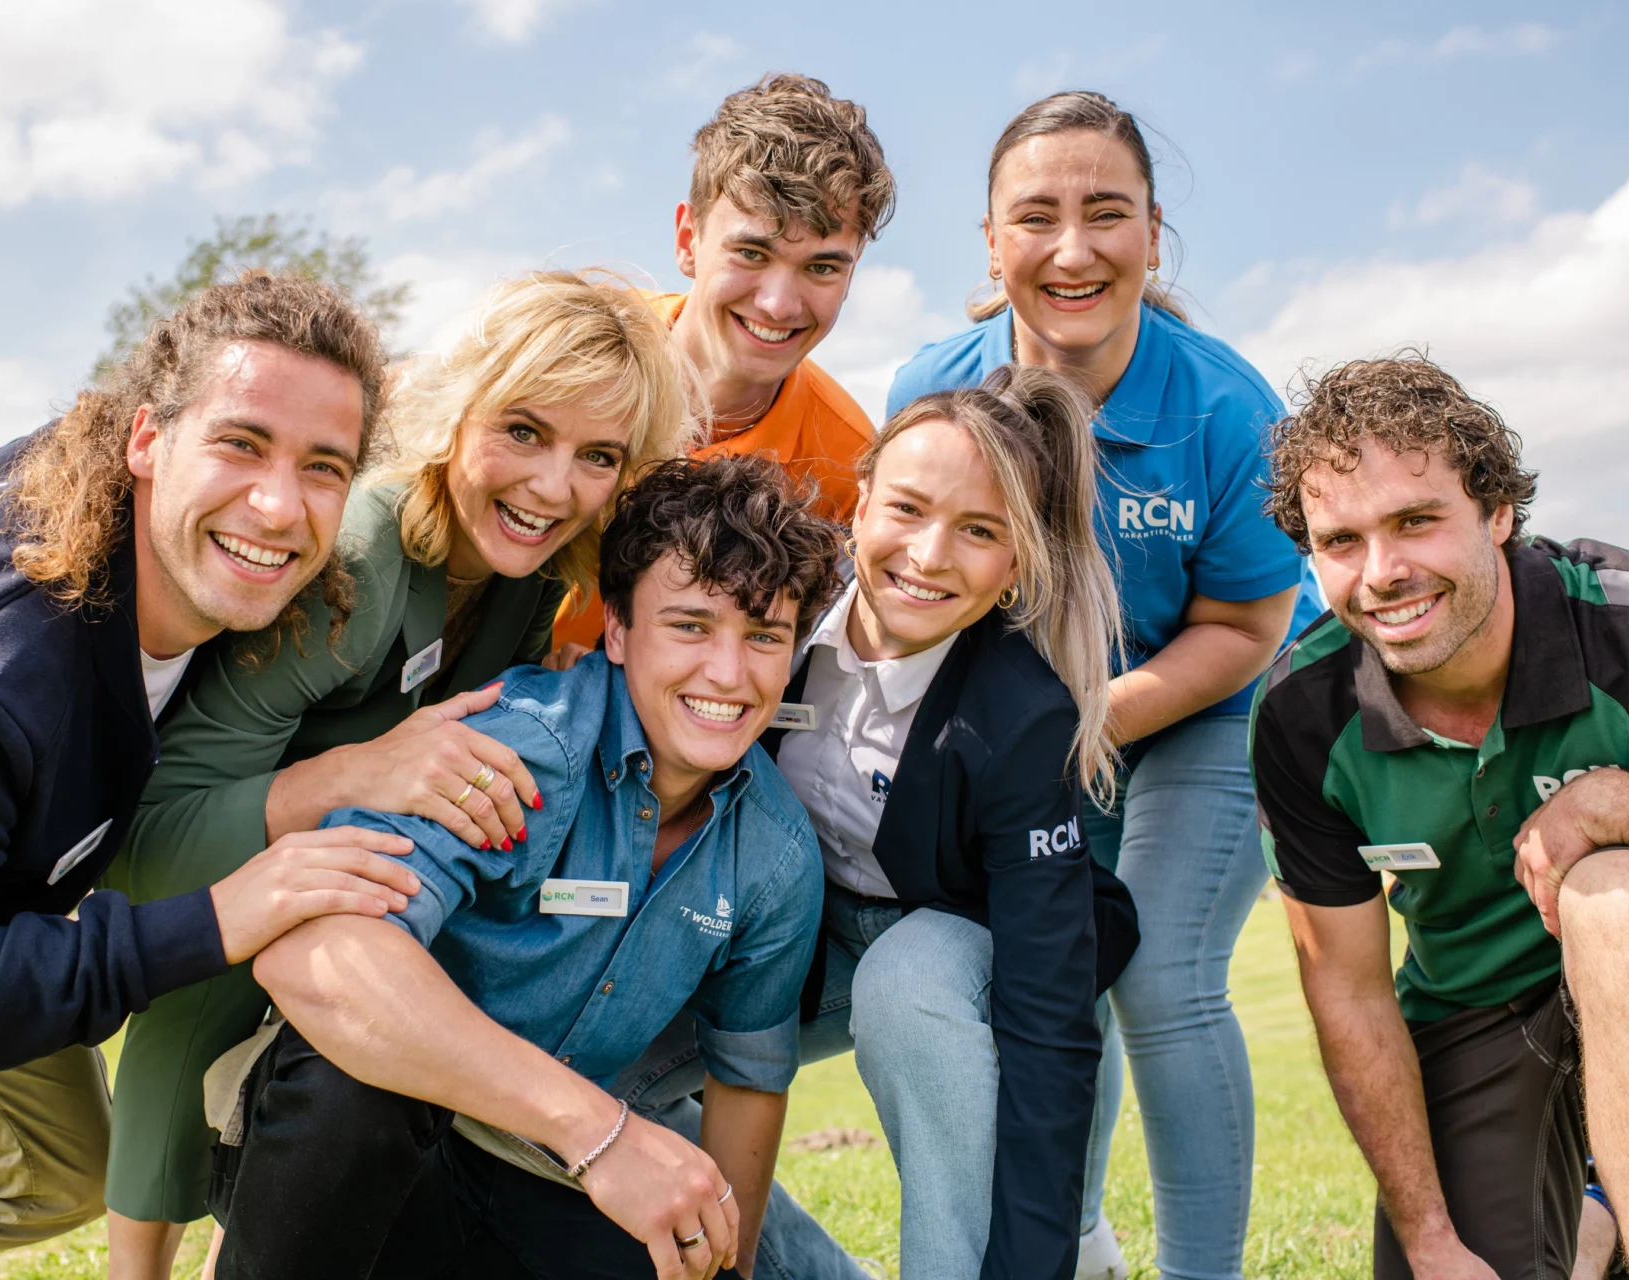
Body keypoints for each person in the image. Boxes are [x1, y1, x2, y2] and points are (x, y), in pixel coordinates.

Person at [0, 272, 427, 1278]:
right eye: (241, 441)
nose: (277, 502)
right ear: (145, 439)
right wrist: (213, 919)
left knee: (63, 1165)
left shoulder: (205, 583)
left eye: (323, 466)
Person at [98, 271, 696, 1276]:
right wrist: (353, 774)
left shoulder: (539, 571)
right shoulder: (363, 555)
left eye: (599, 456)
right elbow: (149, 850)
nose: (554, 486)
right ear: (460, 407)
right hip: (155, 891)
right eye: (524, 431)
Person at [204, 453, 842, 1280]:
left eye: (764, 636)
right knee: (347, 1093)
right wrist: (599, 1131)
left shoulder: (775, 851)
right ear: (616, 629)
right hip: (380, 1143)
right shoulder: (521, 745)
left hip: (544, 1172)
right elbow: (315, 955)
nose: (728, 673)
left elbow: (749, 1082)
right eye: (690, 625)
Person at [885, 91, 1310, 1280]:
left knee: (1161, 969)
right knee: (1053, 949)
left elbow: (1244, 624)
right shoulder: (935, 383)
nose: (1073, 251)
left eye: (1106, 214)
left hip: (1214, 699)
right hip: (1042, 714)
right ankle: (1075, 1243)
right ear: (989, 242)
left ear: (1153, 234)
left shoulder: (1226, 408)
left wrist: (1093, 722)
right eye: (1037, 217)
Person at [622, 365, 1142, 1280]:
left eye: (979, 532)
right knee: (603, 1078)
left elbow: (1048, 1025)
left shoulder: (1021, 717)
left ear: (1017, 560)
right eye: (907, 509)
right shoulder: (771, 619)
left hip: (959, 945)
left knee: (906, 982)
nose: (930, 556)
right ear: (857, 503)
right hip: (804, 939)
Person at [1253, 354, 1629, 1278]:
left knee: (1621, 892)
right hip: (1478, 1012)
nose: (1383, 574)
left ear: (1498, 514)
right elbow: (1348, 989)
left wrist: (1622, 804)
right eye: (1341, 542)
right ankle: (1598, 1207)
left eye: (1416, 521)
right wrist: (1429, 1238)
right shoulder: (1301, 712)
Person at [548, 72, 895, 656]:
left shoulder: (844, 465)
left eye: (823, 268)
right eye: (752, 252)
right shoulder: (563, 344)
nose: (779, 304)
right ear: (689, 239)